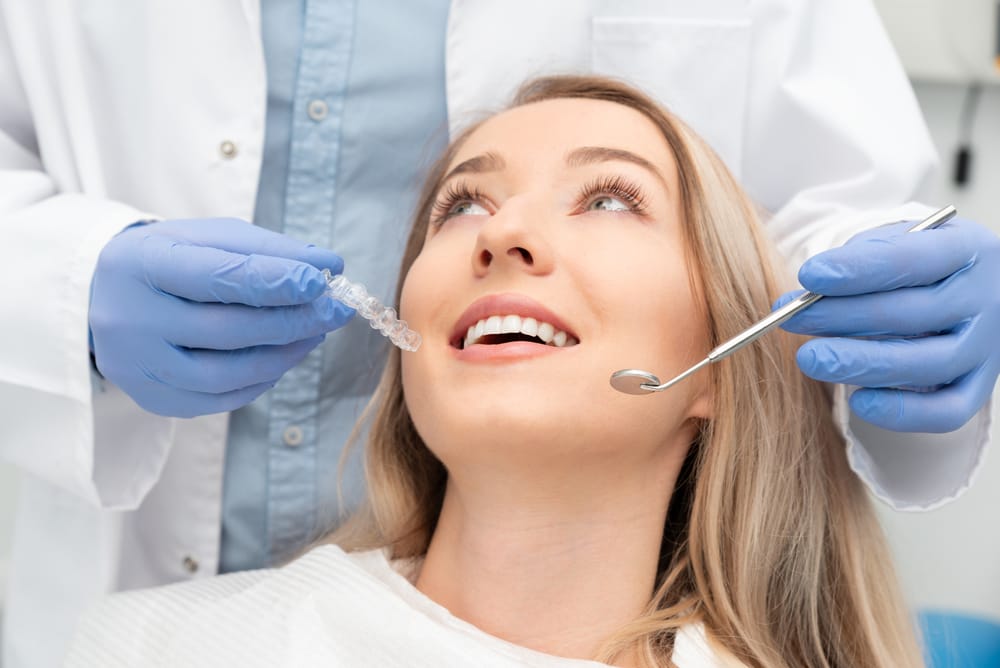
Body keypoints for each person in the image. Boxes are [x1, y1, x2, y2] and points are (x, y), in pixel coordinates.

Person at [2, 2, 997, 665]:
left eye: (609, 199)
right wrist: (58, 283)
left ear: (727, 363)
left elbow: (829, 211)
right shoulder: (139, 645)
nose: (506, 233)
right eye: (457, 207)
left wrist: (916, 305)